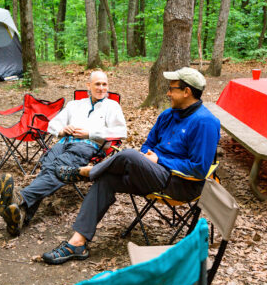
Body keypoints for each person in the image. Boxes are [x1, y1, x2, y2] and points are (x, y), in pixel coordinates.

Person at [41, 67, 221, 265]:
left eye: (172, 89)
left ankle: (90, 171)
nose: (168, 93)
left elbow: (199, 169)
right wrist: (148, 158)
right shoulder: (167, 115)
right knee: (106, 179)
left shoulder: (205, 122)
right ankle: (77, 243)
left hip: (179, 183)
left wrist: (159, 160)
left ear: (187, 92)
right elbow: (148, 144)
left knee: (127, 154)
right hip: (151, 174)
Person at [0, 71, 127, 236]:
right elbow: (52, 125)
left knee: (55, 168)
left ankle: (19, 197)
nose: (101, 88)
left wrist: (90, 133)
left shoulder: (112, 106)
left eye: (104, 84)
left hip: (88, 147)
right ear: (88, 86)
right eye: (97, 84)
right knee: (48, 168)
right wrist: (62, 130)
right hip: (63, 143)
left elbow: (121, 132)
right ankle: (20, 216)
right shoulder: (75, 105)